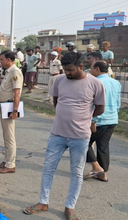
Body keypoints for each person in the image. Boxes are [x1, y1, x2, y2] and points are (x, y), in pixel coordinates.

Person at [23, 52, 105, 220]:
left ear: (81, 67)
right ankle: (43, 202)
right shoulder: (60, 80)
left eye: (70, 70)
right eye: (64, 69)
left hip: (80, 137)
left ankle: (70, 207)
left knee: (76, 172)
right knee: (48, 168)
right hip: (57, 134)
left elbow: (100, 108)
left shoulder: (95, 84)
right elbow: (56, 101)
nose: (67, 73)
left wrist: (86, 118)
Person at [84, 60, 121, 182]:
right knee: (103, 146)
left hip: (99, 119)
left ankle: (96, 167)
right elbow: (117, 103)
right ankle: (103, 173)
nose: (90, 70)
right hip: (112, 119)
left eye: (92, 68)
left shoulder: (96, 82)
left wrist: (93, 120)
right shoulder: (116, 83)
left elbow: (94, 103)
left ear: (98, 69)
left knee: (83, 142)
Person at [0, 50, 23, 174]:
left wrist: (15, 110)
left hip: (9, 105)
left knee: (9, 136)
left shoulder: (15, 72)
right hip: (3, 105)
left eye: (2, 59)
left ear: (8, 60)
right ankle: (7, 160)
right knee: (6, 135)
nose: (0, 62)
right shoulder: (8, 72)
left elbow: (17, 92)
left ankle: (10, 164)